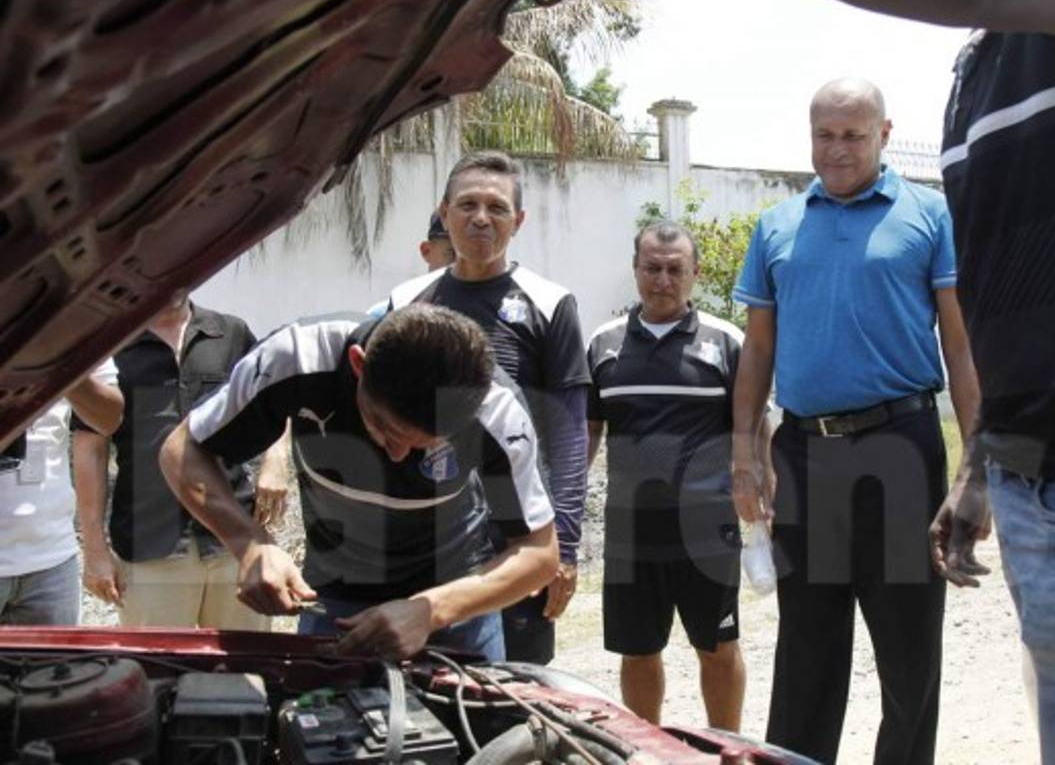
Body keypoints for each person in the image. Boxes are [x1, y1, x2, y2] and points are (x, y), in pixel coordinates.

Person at [739, 0, 1055, 763]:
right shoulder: (978, 65)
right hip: (1035, 475)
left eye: (853, 132)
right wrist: (984, 462)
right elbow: (1005, 303)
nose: (837, 145)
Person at [731, 79, 979, 764]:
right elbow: (757, 348)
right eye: (824, 134)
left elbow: (959, 347)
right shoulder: (777, 225)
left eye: (853, 135)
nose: (837, 150)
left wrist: (974, 466)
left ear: (885, 134)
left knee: (908, 649)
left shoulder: (929, 216)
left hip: (902, 450)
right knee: (805, 646)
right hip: (804, 455)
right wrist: (745, 454)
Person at [159, 304, 558, 661]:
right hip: (335, 601)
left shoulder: (498, 411)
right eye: (385, 429)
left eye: (425, 447)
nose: (398, 456)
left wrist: (430, 610)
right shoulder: (296, 356)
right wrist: (249, 543)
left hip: (455, 603)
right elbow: (181, 450)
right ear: (357, 364)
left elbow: (539, 554)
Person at [379, 151, 589, 664]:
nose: (480, 218)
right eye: (468, 205)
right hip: (423, 536)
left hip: (513, 536)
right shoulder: (405, 301)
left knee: (512, 692)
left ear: (517, 222)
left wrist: (562, 544)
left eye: (496, 208)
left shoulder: (549, 303)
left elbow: (568, 434)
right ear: (445, 212)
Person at [587, 222, 761, 731]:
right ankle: (645, 749)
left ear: (695, 273)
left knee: (718, 646)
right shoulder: (603, 344)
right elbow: (588, 430)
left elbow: (754, 424)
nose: (662, 280)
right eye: (652, 268)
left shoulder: (726, 341)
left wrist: (760, 484)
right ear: (635, 269)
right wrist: (565, 500)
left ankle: (725, 748)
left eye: (675, 269)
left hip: (708, 530)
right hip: (631, 533)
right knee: (638, 651)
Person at [72, 295, 278, 630]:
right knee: (158, 673)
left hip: (233, 540)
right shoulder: (110, 345)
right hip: (150, 544)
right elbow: (89, 445)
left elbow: (274, 396)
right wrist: (94, 549)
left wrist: (276, 461)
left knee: (244, 672)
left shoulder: (230, 333)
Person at [0, 365, 123, 625]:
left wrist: (62, 365)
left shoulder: (64, 328)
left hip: (52, 558)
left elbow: (109, 418)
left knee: (55, 665)